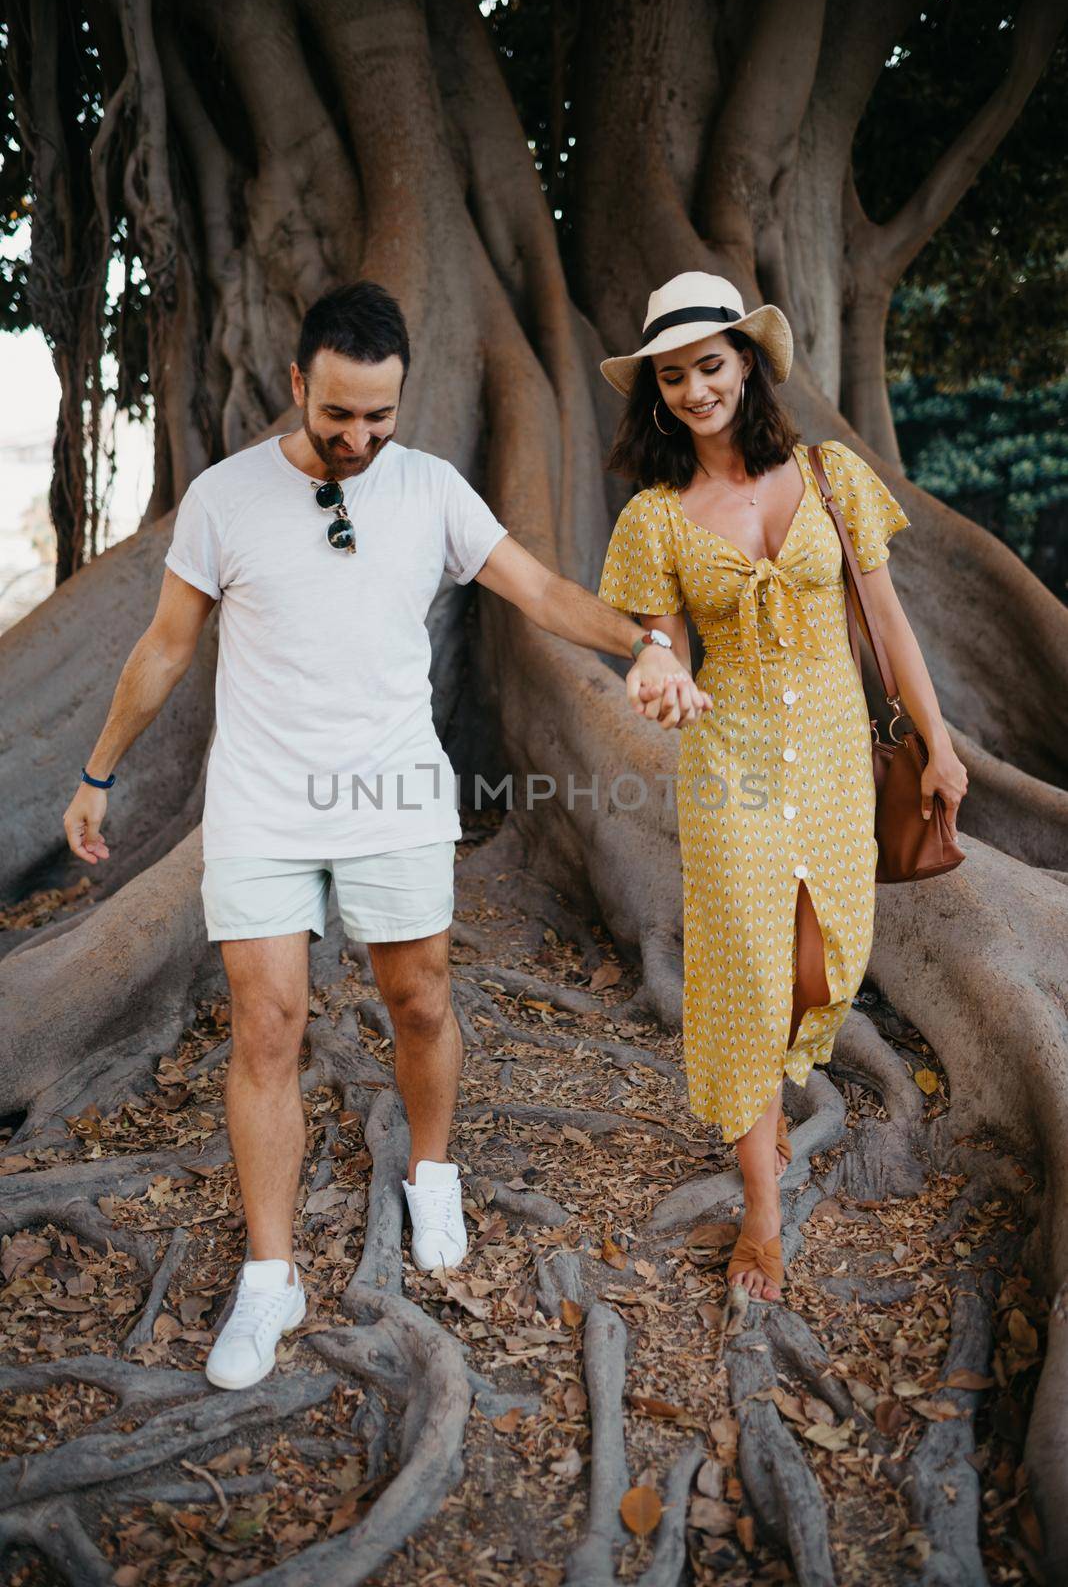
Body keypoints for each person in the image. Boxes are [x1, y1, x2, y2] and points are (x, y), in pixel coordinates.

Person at [61, 280, 711, 1391]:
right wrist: (96, 771)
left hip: (396, 796)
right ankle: (272, 1275)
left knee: (421, 1001)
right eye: (339, 415)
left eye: (380, 417)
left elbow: (543, 592)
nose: (359, 437)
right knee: (266, 1028)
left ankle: (435, 1168)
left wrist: (648, 638)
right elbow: (166, 648)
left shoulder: (431, 490)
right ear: (298, 384)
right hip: (263, 803)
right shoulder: (223, 499)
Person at [596, 271, 968, 1304]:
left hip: (840, 752)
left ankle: (770, 1110)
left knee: (821, 968)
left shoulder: (831, 475)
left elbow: (889, 624)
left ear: (747, 363)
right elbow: (653, 644)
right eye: (672, 377)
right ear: (658, 392)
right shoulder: (657, 517)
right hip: (732, 761)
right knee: (746, 977)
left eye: (709, 366)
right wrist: (657, 670)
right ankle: (762, 1204)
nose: (694, 390)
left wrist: (938, 743)